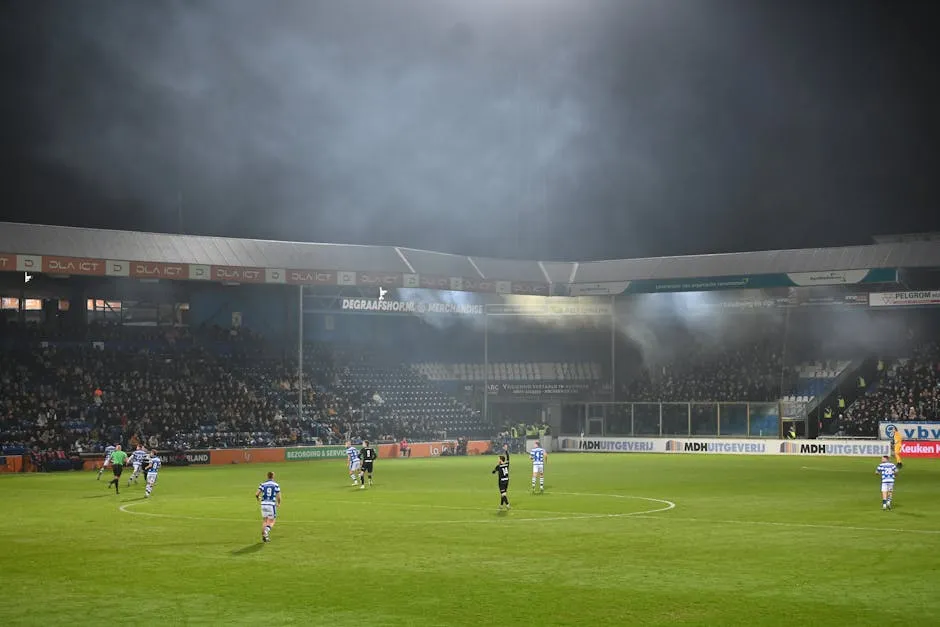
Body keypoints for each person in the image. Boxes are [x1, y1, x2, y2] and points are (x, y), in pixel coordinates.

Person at [255, 471, 281, 543]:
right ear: (273, 476)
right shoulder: (276, 485)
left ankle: (264, 536)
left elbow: (256, 494)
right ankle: (266, 531)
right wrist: (279, 503)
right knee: (272, 520)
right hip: (271, 504)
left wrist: (258, 498)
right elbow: (278, 496)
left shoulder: (263, 484)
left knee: (265, 520)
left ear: (267, 476)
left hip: (263, 504)